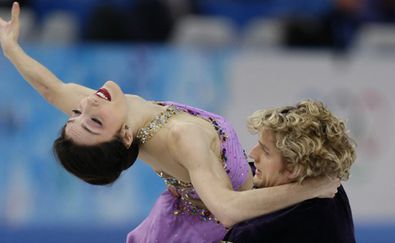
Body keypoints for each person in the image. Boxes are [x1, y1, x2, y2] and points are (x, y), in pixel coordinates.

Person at [0, 3, 340, 243]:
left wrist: (10, 48)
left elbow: (51, 90)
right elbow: (226, 210)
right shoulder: (183, 135)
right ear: (126, 136)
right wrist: (309, 189)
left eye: (77, 114)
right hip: (205, 229)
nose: (86, 104)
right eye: (93, 121)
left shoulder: (118, 116)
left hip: (180, 213)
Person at [223, 100, 357, 243]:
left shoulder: (259, 230)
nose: (253, 154)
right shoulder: (329, 188)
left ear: (293, 168)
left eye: (266, 151)